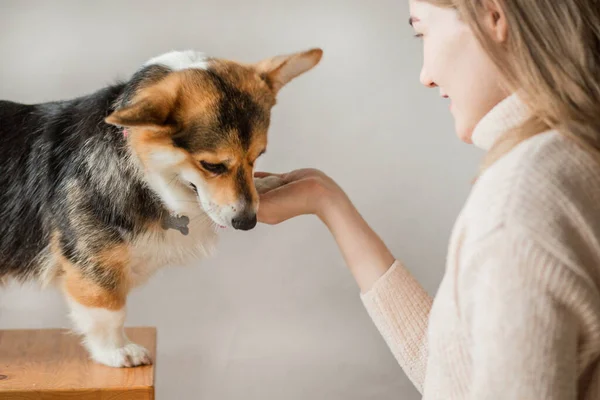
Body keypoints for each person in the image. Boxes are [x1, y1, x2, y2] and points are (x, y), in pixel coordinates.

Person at [254, 0, 600, 398]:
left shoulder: (518, 204)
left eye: (422, 31)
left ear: (493, 15)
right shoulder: (573, 160)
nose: (426, 76)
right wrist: (327, 202)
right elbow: (455, 375)